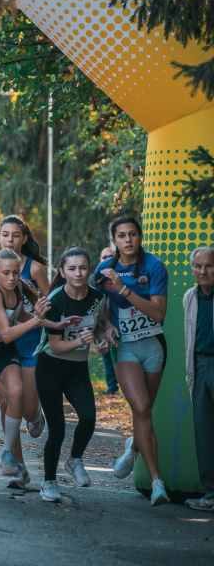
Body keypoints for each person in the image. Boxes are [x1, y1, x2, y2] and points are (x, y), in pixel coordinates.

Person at [94, 216, 170, 506]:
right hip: (124, 347)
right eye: (122, 236)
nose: (128, 240)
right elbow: (94, 309)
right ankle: (157, 482)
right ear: (114, 240)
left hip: (153, 346)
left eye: (133, 234)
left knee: (145, 411)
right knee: (140, 406)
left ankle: (132, 448)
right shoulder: (104, 269)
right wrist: (105, 328)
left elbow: (159, 313)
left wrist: (124, 290)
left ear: (140, 236)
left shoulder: (153, 266)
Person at [0, 249, 54, 494]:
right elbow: (7, 332)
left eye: (16, 272)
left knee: (17, 391)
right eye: (6, 273)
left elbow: (23, 315)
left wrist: (53, 324)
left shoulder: (17, 288)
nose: (12, 277)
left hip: (5, 353)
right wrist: (36, 321)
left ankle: (8, 454)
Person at [34, 247, 107, 503]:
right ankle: (49, 482)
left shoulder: (98, 297)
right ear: (63, 272)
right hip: (50, 368)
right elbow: (55, 346)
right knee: (57, 430)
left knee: (88, 417)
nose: (78, 273)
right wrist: (81, 341)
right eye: (72, 268)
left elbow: (98, 327)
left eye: (83, 267)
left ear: (89, 269)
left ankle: (75, 460)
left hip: (77, 369)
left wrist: (102, 340)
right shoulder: (55, 300)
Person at [0, 216, 50, 441]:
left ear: (24, 238)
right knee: (6, 401)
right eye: (5, 234)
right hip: (2, 342)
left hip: (30, 341)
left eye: (15, 235)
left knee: (27, 410)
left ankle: (36, 414)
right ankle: (12, 456)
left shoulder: (35, 268)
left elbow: (50, 303)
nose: (10, 240)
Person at [183, 247, 214, 512]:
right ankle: (212, 494)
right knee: (204, 432)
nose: (203, 271)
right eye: (198, 266)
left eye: (209, 266)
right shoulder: (189, 298)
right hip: (200, 366)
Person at [99, 245, 119, 394]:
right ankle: (112, 386)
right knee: (107, 353)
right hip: (104, 324)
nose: (107, 260)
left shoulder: (122, 276)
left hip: (121, 323)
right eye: (104, 257)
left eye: (110, 256)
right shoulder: (96, 277)